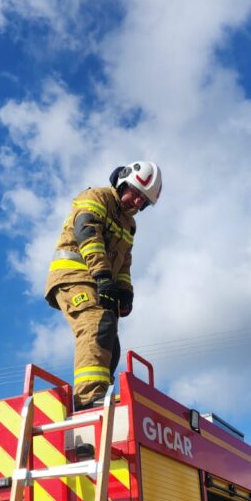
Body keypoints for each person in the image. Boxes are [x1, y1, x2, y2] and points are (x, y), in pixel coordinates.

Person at [44, 161, 162, 410]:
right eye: (137, 194)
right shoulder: (95, 197)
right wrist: (103, 278)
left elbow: (125, 261)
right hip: (74, 276)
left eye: (145, 202)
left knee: (110, 342)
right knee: (97, 325)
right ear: (123, 181)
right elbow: (88, 235)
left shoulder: (129, 224)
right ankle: (88, 400)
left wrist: (126, 291)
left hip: (98, 281)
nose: (138, 204)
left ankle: (101, 400)